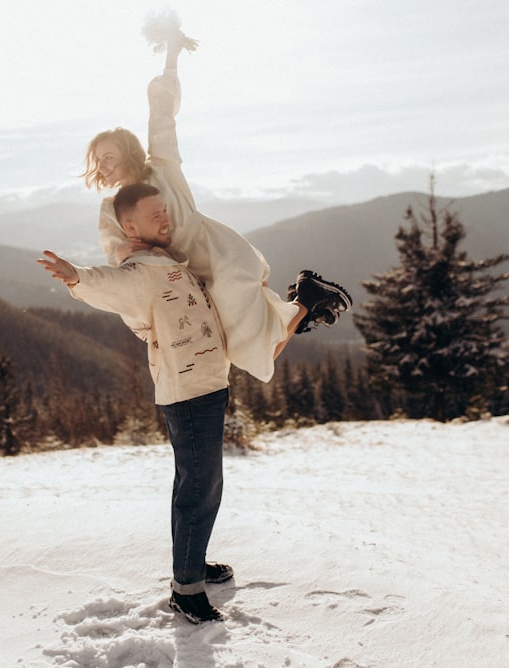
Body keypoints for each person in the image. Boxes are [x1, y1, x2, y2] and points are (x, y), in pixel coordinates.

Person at [81, 23, 351, 384]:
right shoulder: (111, 211)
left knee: (248, 353)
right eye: (98, 160)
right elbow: (121, 260)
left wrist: (172, 54)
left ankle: (305, 302)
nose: (103, 166)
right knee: (246, 349)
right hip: (187, 284)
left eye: (109, 156)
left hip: (220, 262)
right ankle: (306, 302)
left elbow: (162, 112)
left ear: (129, 152)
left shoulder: (162, 165)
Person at [38, 182, 236, 624]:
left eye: (165, 212)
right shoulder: (142, 270)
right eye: (154, 215)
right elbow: (111, 284)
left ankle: (193, 561)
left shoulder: (167, 260)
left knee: (201, 485)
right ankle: (186, 590)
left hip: (207, 383)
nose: (165, 220)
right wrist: (77, 277)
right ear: (130, 227)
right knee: (198, 489)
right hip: (188, 395)